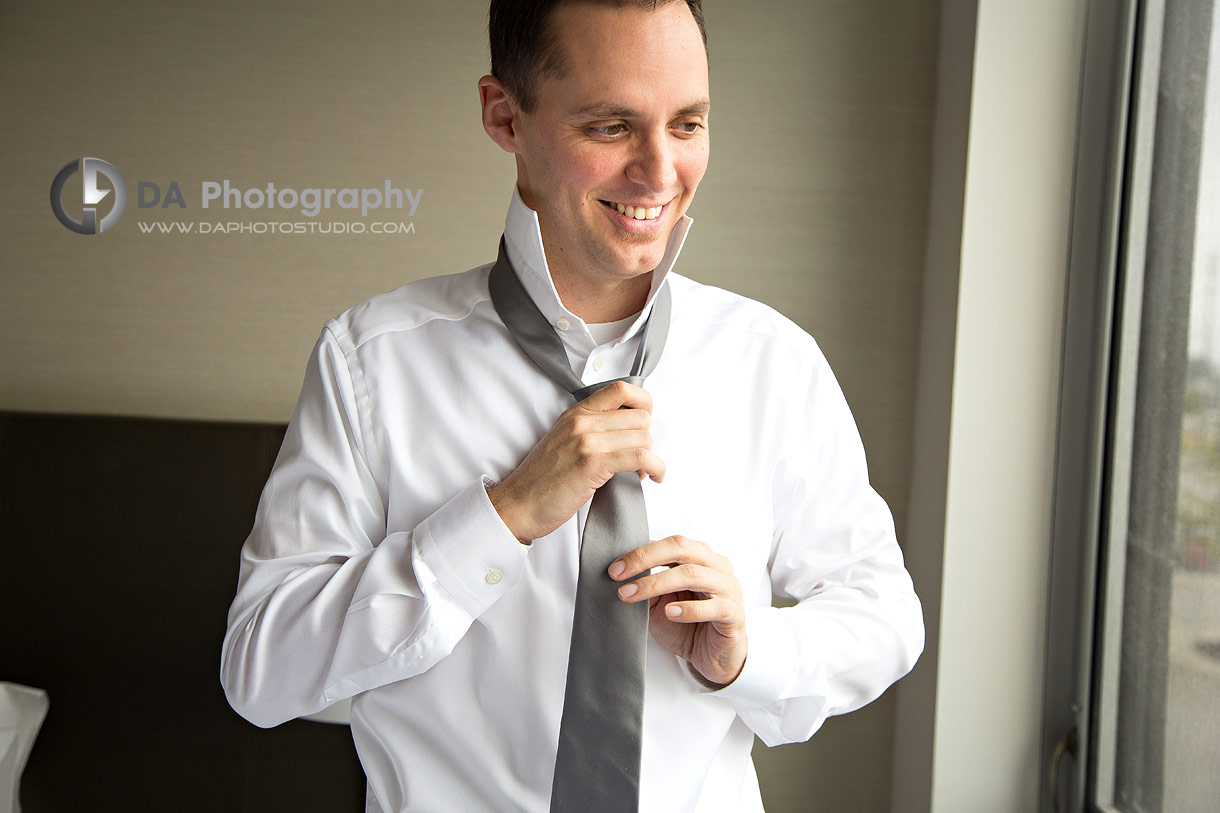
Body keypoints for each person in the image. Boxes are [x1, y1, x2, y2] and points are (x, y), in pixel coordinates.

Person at [220, 1, 924, 811]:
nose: (660, 172)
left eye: (687, 124)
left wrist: (747, 649)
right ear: (504, 115)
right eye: (611, 127)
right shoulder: (373, 360)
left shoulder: (771, 361)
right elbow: (259, 672)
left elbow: (885, 620)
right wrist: (503, 515)